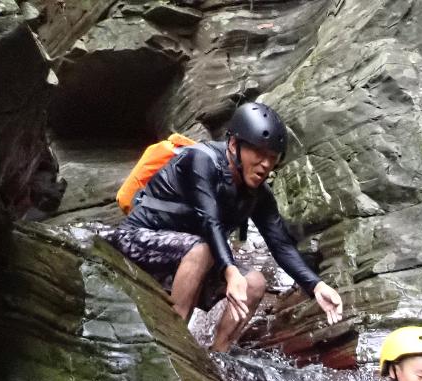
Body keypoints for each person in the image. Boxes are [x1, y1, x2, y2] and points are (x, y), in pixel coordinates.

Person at [103, 102, 343, 352]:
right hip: (136, 240)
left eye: (272, 157)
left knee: (255, 282)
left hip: (188, 259)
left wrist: (316, 285)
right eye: (259, 154)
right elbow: (209, 220)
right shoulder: (200, 160)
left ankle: (217, 356)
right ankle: (173, 344)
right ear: (233, 145)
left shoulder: (259, 195)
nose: (265, 164)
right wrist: (229, 271)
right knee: (203, 250)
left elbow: (281, 246)